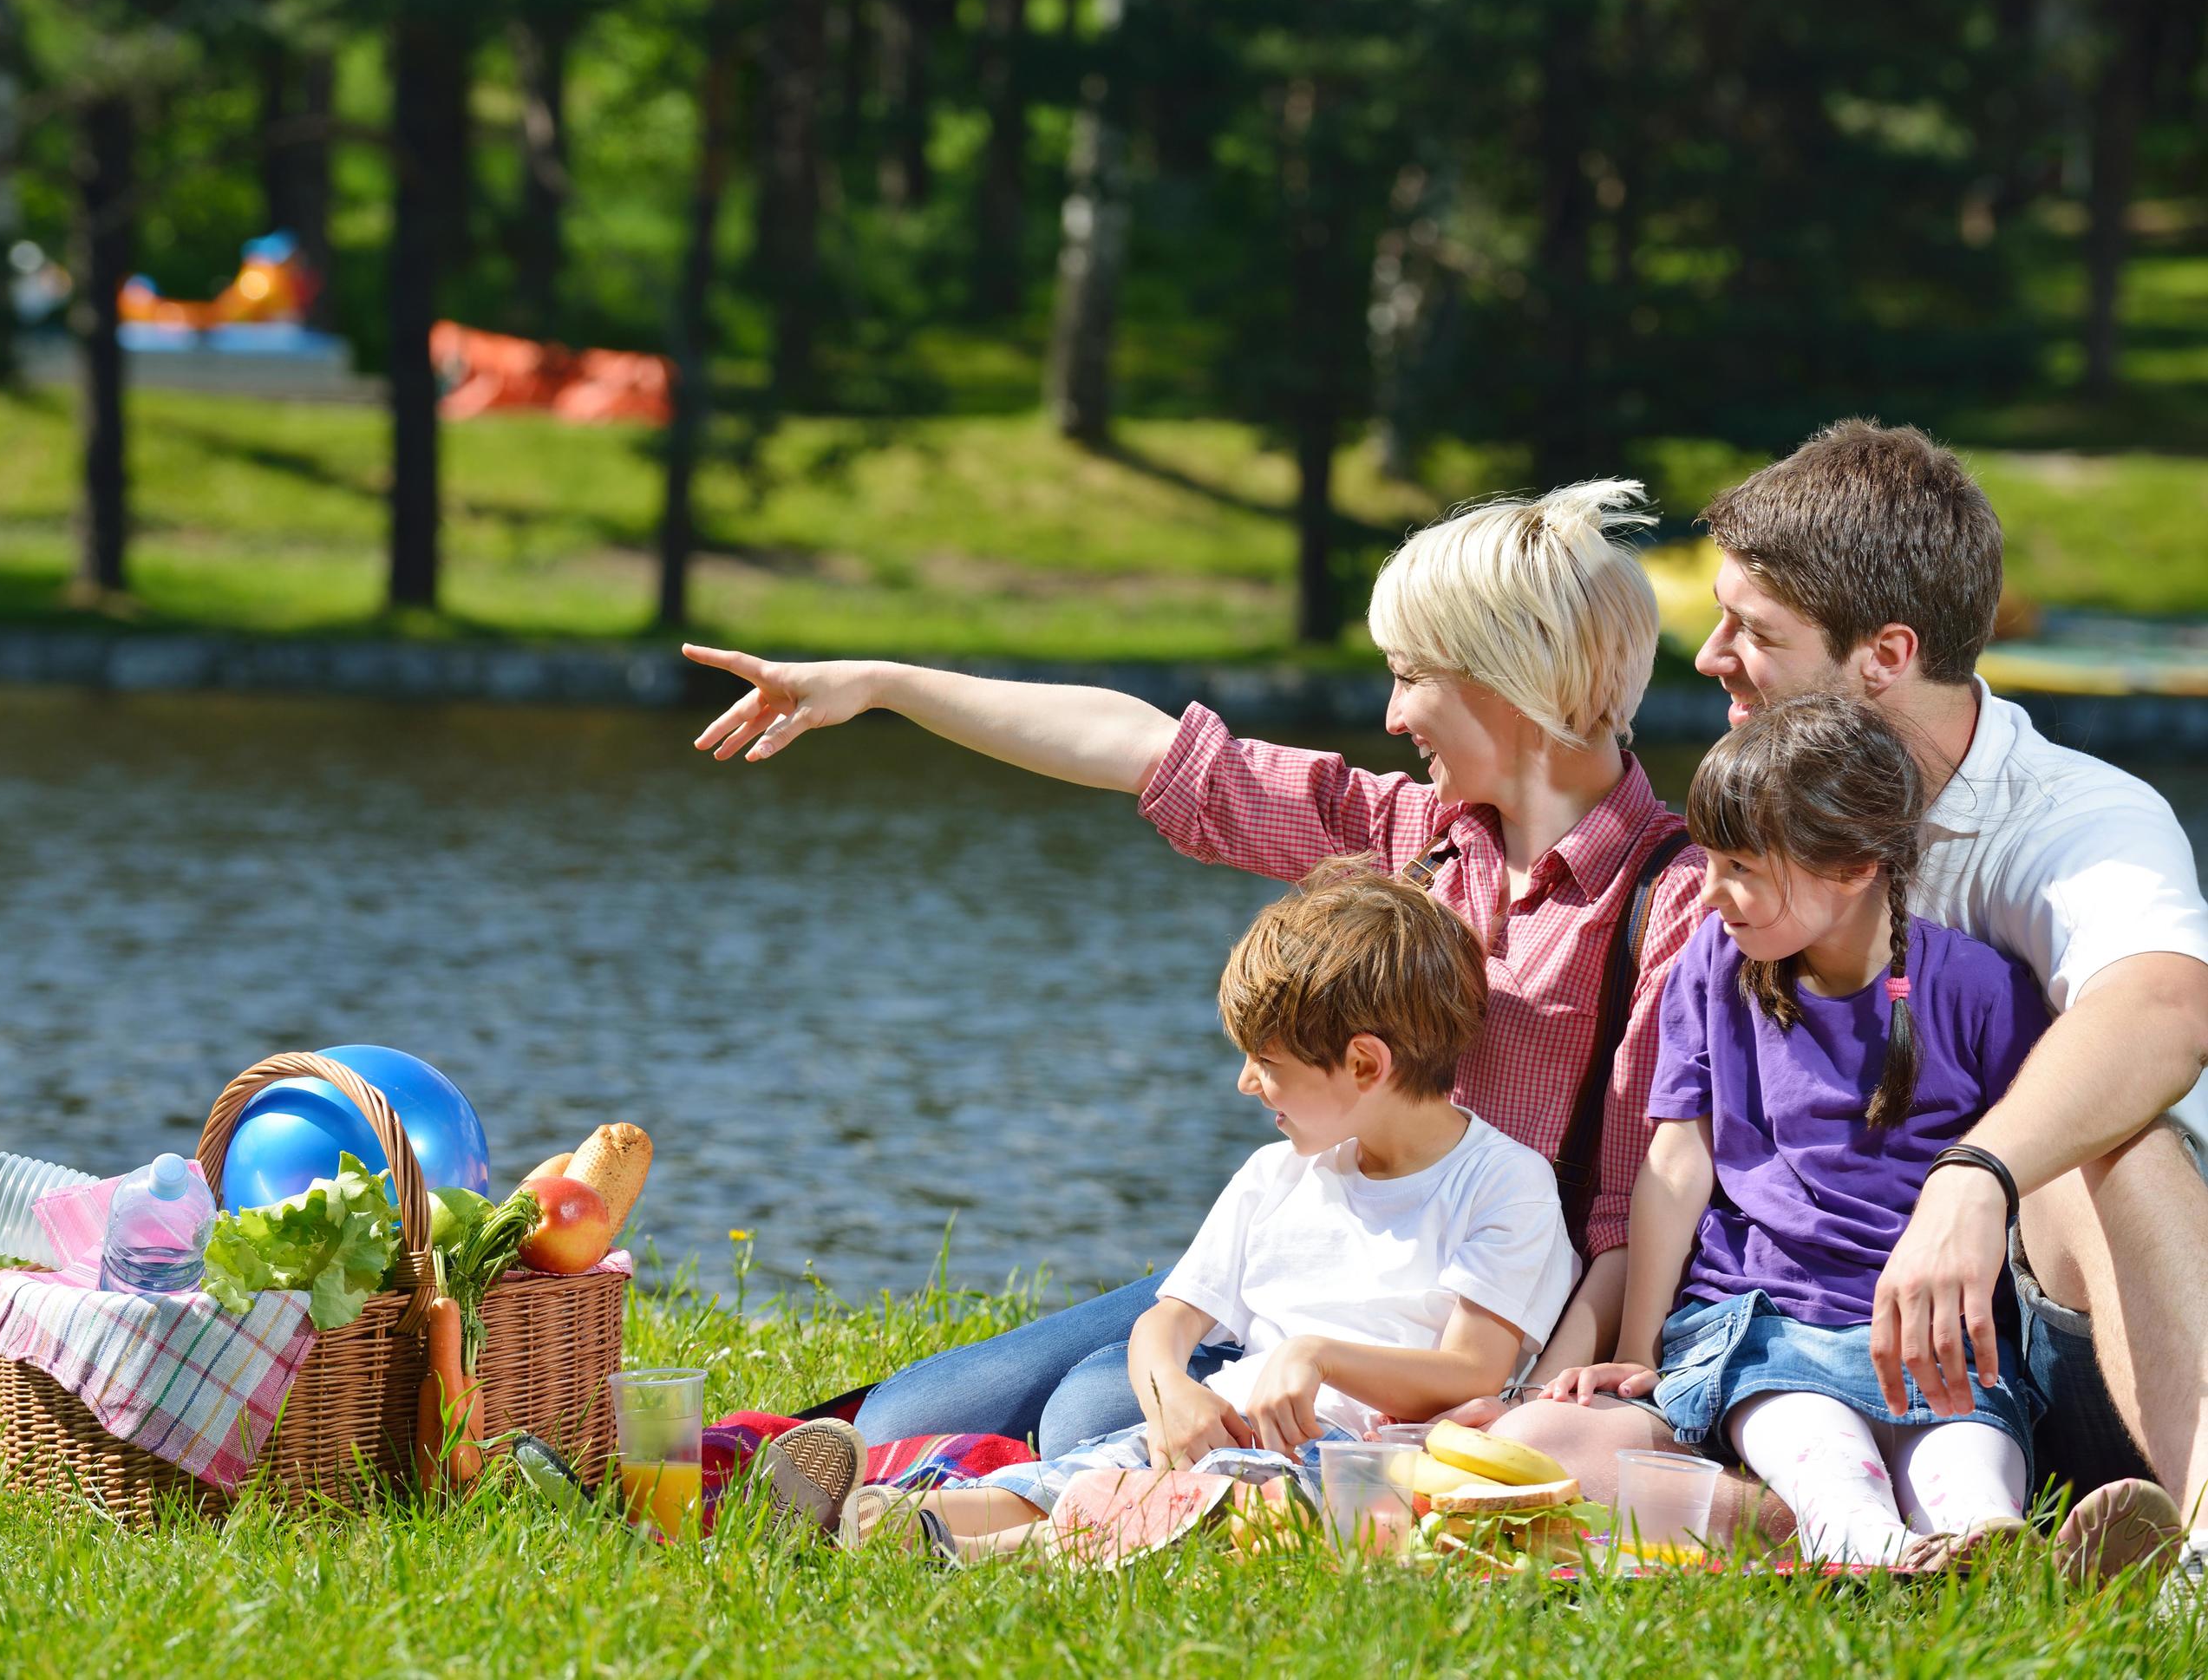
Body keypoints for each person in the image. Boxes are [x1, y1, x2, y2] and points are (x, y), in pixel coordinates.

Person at [683, 479, 1702, 1457]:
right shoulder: (1409, 834)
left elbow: (1625, 1203)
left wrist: (1519, 1408)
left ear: (1512, 680)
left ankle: (1001, 1498)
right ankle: (837, 1469)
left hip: (1442, 1322)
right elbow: (1146, 749)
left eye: (1411, 674)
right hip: (1302, 1267)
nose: (1391, 716)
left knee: (1088, 1416)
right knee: (903, 1415)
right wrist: (883, 686)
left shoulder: (1676, 896)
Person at [1493, 421, 2208, 1594]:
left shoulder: (2077, 817)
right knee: (1545, 1456)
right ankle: (1889, 1550)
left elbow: (2166, 1007)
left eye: (1754, 633)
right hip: (1798, 1341)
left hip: (2042, 1344)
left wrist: (1974, 1180)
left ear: (1884, 654)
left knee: (2116, 1139)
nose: (1711, 656)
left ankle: (2186, 1549)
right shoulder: (1745, 857)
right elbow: (1677, 1144)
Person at [842, 860, 1577, 1562]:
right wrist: (1171, 1391)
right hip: (1228, 1425)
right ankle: (885, 1519)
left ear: (1362, 1064)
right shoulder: (1276, 1176)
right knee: (1078, 1477)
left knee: (1233, 1511)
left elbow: (1472, 1370)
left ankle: (958, 1551)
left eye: (1269, 1063)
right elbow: (1168, 1319)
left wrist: (1316, 1355)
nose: (1245, 1083)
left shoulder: (1503, 1182)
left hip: (1362, 1462)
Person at [1544, 696, 2046, 1568]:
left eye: (1740, 865)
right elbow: (1677, 1161)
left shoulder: (1983, 991)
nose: (1708, 890)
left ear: (1852, 865)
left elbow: (2034, 1176)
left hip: (1934, 1343)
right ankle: (1869, 1549)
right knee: (1826, 1465)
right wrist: (1640, 1354)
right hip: (1765, 1326)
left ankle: (1995, 1549)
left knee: (1968, 1477)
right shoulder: (1714, 963)